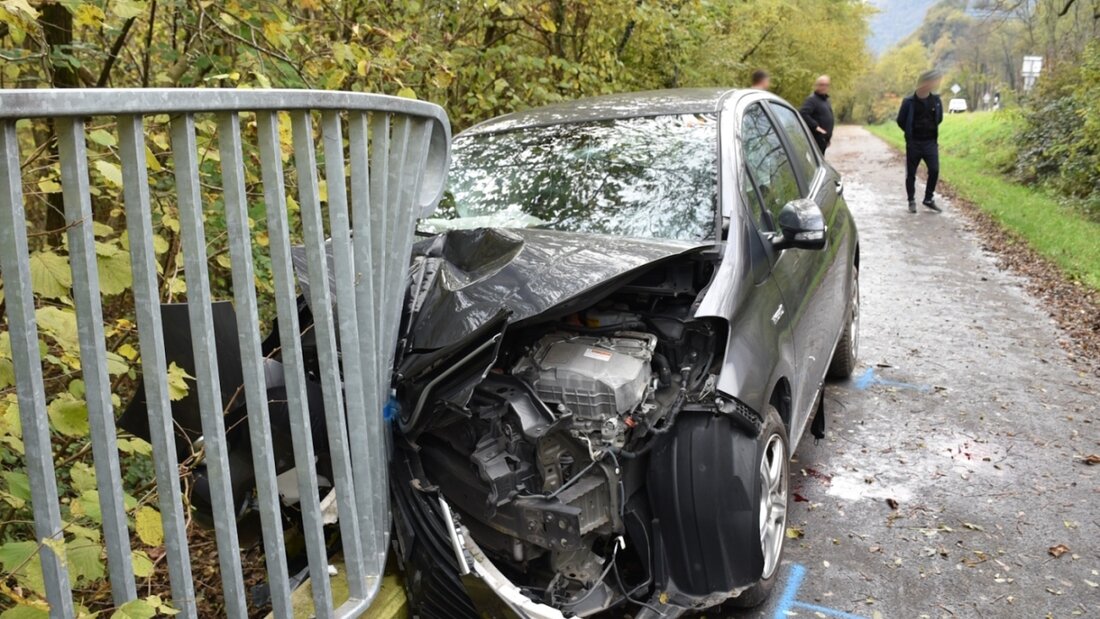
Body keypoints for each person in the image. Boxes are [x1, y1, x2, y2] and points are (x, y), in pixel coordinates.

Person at [896, 69, 944, 213]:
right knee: (911, 173)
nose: (934, 84)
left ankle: (928, 198)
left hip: (930, 142)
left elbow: (939, 119)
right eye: (932, 81)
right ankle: (911, 200)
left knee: (934, 170)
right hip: (914, 143)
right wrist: (910, 134)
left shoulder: (936, 100)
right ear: (924, 83)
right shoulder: (909, 102)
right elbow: (900, 120)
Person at [800, 75, 834, 155]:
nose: (824, 87)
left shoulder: (825, 100)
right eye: (822, 85)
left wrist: (828, 139)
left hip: (823, 141)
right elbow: (803, 113)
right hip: (815, 140)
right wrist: (816, 127)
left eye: (826, 85)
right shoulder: (812, 100)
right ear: (817, 86)